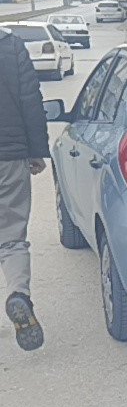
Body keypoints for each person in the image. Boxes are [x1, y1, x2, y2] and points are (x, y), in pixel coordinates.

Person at [0, 26, 49, 351]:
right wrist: (36, 150)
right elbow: (30, 101)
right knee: (11, 237)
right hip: (9, 155)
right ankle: (18, 294)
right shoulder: (11, 46)